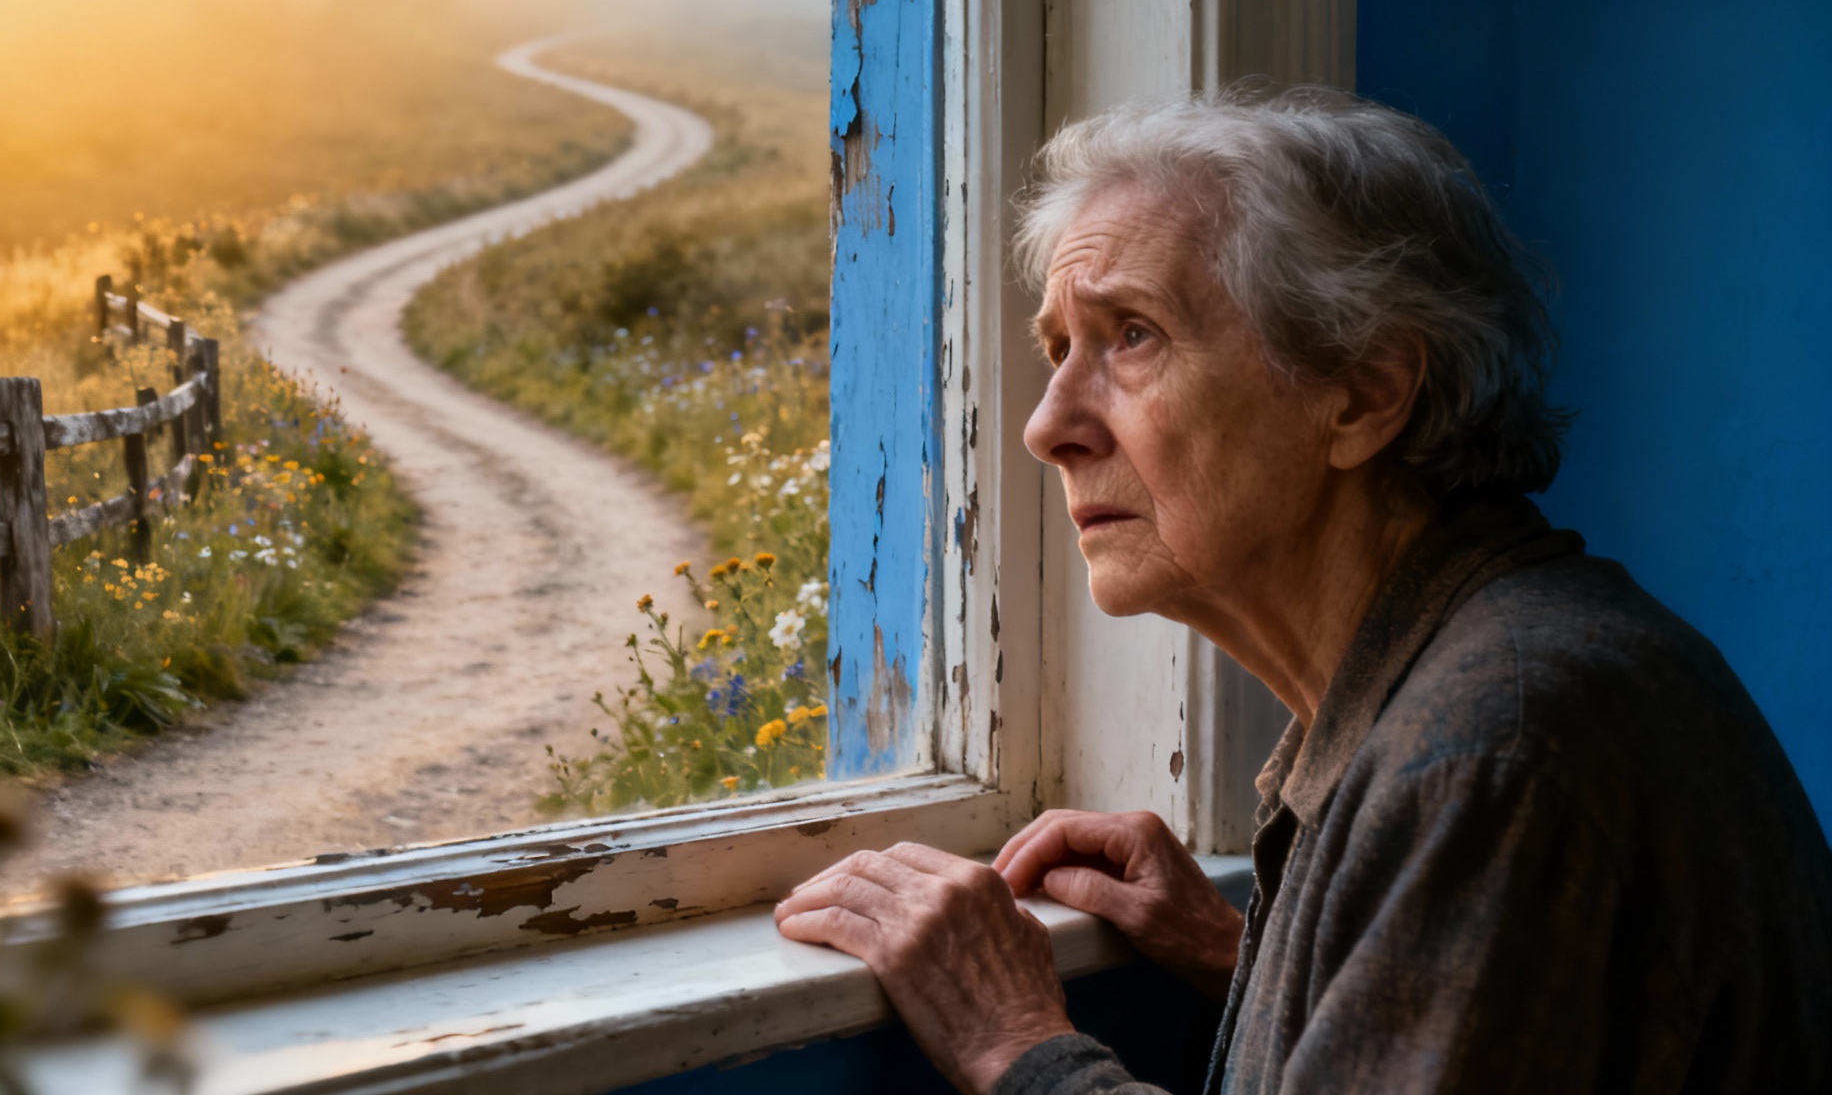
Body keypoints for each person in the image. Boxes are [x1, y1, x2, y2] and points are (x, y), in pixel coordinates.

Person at [774, 85, 1832, 1094]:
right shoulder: (1490, 678)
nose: (1046, 426)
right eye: (1057, 350)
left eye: (1129, 334)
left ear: (1363, 395)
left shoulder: (1489, 747)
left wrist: (1016, 1044)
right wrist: (1247, 958)